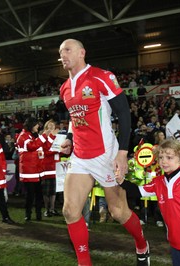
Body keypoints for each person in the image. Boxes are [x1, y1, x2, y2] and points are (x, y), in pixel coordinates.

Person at [58, 39, 149, 266]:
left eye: (67, 50)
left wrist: (122, 152)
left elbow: (124, 113)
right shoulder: (65, 88)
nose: (63, 55)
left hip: (104, 155)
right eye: (60, 52)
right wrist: (69, 139)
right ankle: (84, 263)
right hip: (79, 156)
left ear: (82, 53)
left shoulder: (101, 76)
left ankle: (142, 245)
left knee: (118, 212)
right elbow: (73, 119)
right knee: (70, 211)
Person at [117, 140, 180, 266]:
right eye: (160, 157)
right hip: (176, 245)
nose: (163, 161)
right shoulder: (158, 182)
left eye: (169, 157)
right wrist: (121, 181)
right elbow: (138, 191)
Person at [16, 117, 58, 221]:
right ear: (31, 125)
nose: (38, 126)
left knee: (39, 195)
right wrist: (45, 135)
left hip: (37, 170)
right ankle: (28, 214)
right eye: (36, 125)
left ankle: (38, 214)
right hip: (29, 172)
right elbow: (32, 146)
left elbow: (42, 148)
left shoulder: (31, 135)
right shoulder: (23, 136)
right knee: (30, 195)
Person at [41, 119, 61, 217]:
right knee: (46, 191)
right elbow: (46, 151)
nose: (52, 127)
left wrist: (63, 150)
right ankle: (46, 209)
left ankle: (52, 209)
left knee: (53, 191)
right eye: (50, 125)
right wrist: (56, 150)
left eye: (53, 125)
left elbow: (59, 150)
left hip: (56, 167)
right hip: (46, 167)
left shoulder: (58, 137)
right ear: (46, 127)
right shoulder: (43, 137)